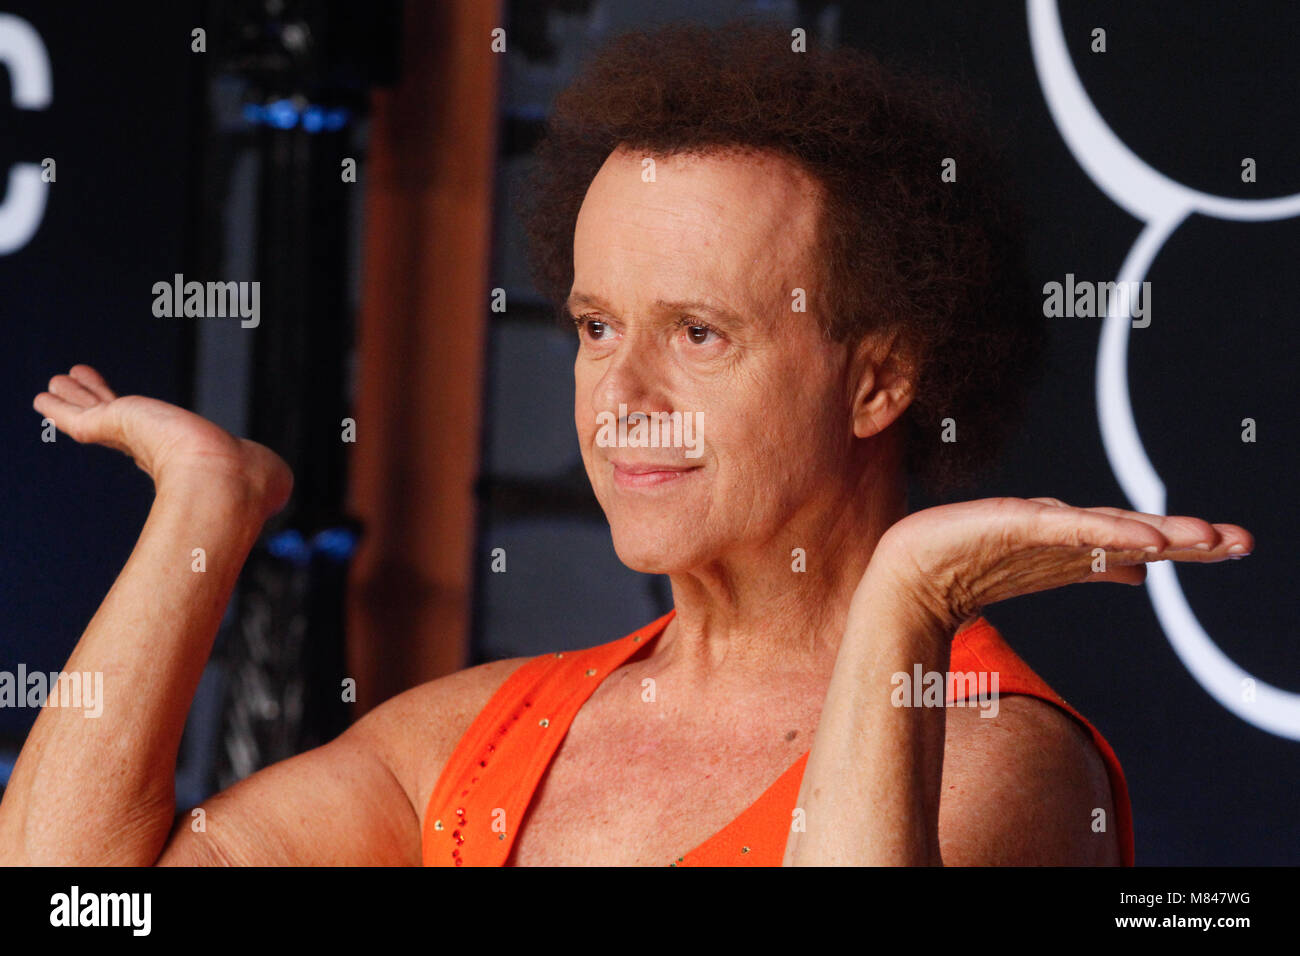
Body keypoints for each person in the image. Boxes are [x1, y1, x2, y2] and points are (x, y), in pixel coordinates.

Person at [0, 21, 1251, 866]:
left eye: (699, 333)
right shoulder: (480, 733)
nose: (620, 393)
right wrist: (199, 515)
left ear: (878, 378)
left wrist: (899, 604)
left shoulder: (1004, 760)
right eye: (597, 325)